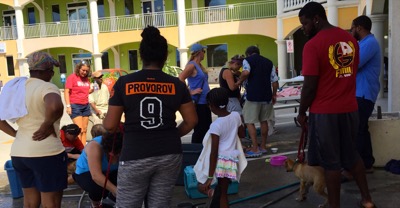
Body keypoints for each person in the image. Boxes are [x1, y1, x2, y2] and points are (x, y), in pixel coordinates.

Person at [103, 26, 197, 207]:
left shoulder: (125, 82)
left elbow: (109, 126)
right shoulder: (177, 85)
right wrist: (171, 134)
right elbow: (192, 121)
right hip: (169, 153)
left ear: (141, 56)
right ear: (165, 57)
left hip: (135, 154)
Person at [296, 2, 376, 208]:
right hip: (350, 109)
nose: (303, 29)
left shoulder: (313, 46)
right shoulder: (351, 40)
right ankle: (367, 200)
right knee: (352, 157)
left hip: (325, 113)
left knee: (331, 163)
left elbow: (310, 86)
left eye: (305, 24)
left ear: (316, 19)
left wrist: (302, 112)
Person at [0, 51, 66, 208]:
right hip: (46, 153)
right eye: (52, 71)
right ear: (46, 71)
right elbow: (55, 105)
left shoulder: (17, 89)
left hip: (19, 153)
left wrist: (16, 133)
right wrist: (46, 125)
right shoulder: (47, 87)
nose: (52, 74)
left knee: (29, 202)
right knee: (51, 202)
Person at [195, 88, 247, 208]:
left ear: (211, 106)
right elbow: (242, 134)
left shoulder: (215, 125)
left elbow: (214, 152)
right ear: (227, 102)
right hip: (231, 159)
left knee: (202, 186)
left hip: (220, 160)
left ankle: (212, 193)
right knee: (224, 193)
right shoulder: (235, 116)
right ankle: (214, 194)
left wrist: (209, 176)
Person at [236, 46, 279, 158]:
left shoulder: (248, 60)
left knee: (250, 121)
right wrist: (274, 94)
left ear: (248, 54)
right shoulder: (269, 62)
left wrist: (239, 81)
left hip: (253, 96)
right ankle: (263, 146)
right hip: (267, 96)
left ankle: (255, 148)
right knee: (264, 120)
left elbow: (245, 73)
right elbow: (275, 81)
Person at [351, 15, 381, 172]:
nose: (351, 31)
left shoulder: (369, 43)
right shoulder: (362, 43)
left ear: (359, 28)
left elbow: (354, 63)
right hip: (360, 93)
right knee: (360, 129)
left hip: (364, 94)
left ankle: (364, 165)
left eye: (352, 28)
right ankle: (365, 164)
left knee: (358, 129)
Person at [73, 130, 123, 208]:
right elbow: (96, 176)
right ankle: (95, 204)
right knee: (96, 187)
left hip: (112, 171)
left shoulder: (128, 146)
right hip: (87, 173)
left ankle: (112, 200)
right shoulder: (94, 146)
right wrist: (116, 191)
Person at [179, 43, 212, 144]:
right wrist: (190, 92)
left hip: (205, 101)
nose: (204, 54)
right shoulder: (191, 65)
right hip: (199, 102)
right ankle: (196, 150)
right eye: (204, 51)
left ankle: (204, 150)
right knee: (200, 128)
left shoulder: (199, 66)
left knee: (207, 127)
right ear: (199, 52)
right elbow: (180, 78)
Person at [64, 61, 92, 144]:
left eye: (87, 71)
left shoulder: (87, 79)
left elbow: (85, 91)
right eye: (83, 70)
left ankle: (83, 149)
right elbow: (66, 91)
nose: (84, 72)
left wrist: (91, 90)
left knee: (84, 129)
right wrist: (68, 106)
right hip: (75, 105)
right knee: (79, 130)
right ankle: (79, 149)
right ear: (78, 68)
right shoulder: (72, 77)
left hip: (86, 105)